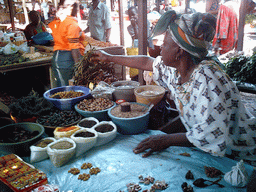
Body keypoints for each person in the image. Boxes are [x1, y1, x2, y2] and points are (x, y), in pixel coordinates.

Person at [93, 10, 256, 165]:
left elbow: (212, 133)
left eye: (164, 43)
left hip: (241, 157)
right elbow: (146, 62)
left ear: (179, 51)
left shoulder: (208, 79)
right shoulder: (177, 71)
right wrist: (108, 58)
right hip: (213, 153)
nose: (160, 48)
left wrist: (167, 140)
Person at [48, 0, 85, 88]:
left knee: (64, 88)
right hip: (67, 60)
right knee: (67, 90)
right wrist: (79, 67)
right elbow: (74, 48)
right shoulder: (72, 24)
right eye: (76, 6)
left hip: (60, 59)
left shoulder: (61, 21)